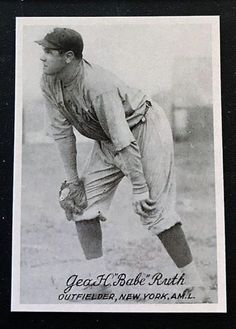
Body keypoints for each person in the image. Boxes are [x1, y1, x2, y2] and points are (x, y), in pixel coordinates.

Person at [36, 27, 209, 302]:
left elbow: (124, 140)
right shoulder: (49, 81)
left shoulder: (98, 86)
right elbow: (61, 133)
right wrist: (73, 181)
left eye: (48, 52)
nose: (42, 58)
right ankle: (99, 282)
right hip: (109, 138)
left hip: (143, 128)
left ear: (69, 57)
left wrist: (139, 187)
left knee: (154, 208)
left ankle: (196, 285)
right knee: (81, 205)